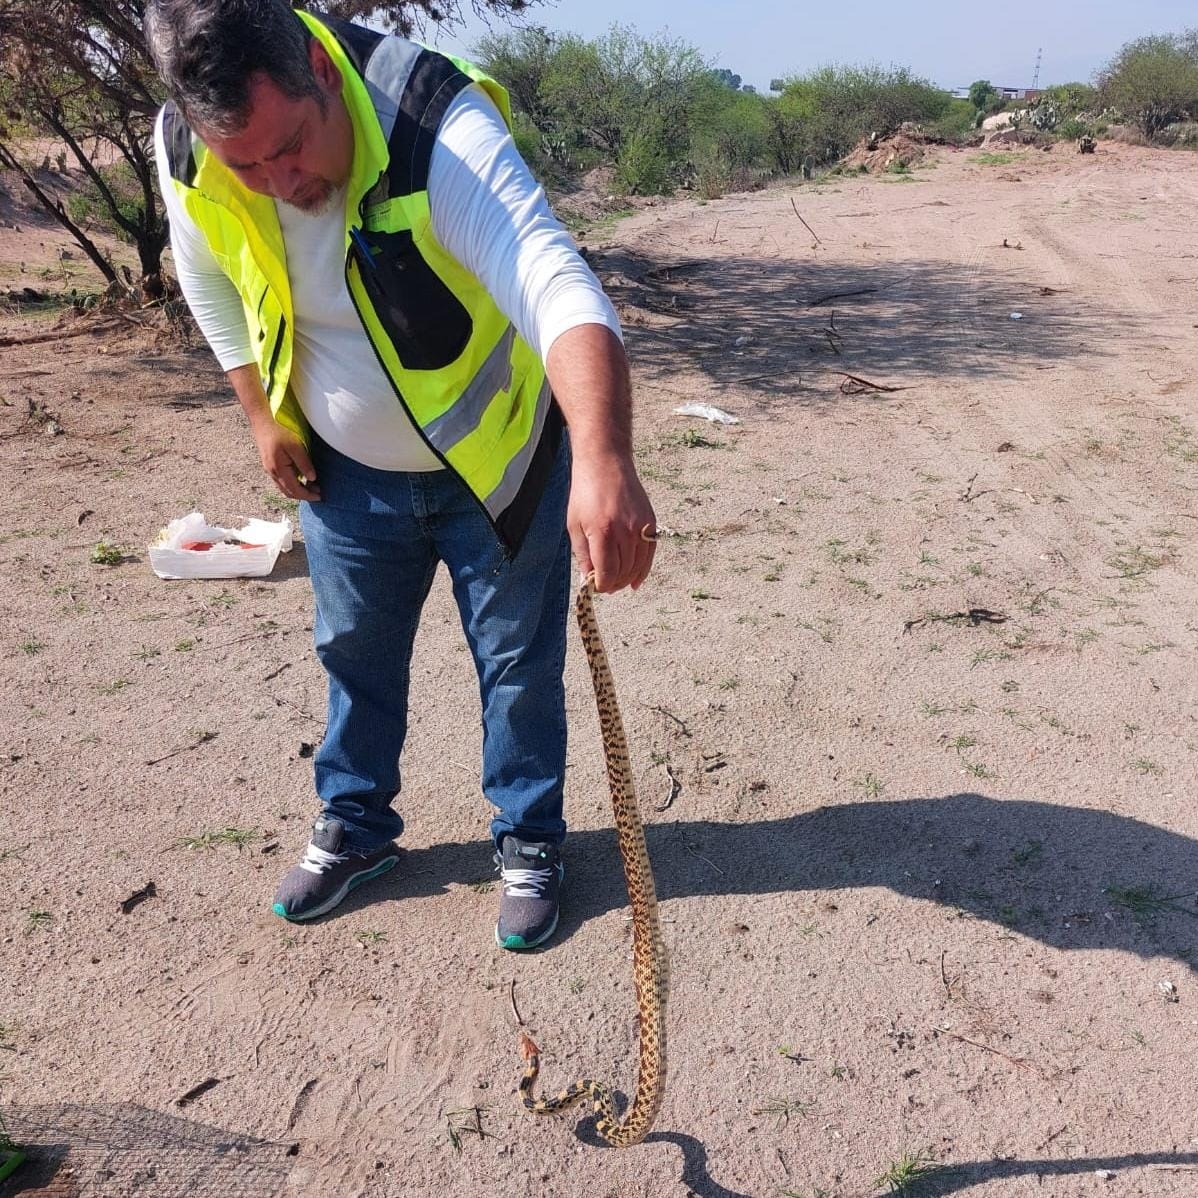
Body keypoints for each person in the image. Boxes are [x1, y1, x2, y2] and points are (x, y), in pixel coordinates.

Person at [144, 0, 656, 950]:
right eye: (245, 164)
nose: (276, 181)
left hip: (497, 468)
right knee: (354, 653)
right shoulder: (186, 146)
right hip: (348, 478)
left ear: (321, 71)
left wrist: (603, 459)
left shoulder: (438, 124)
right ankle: (356, 828)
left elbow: (554, 278)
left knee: (515, 668)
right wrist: (261, 414)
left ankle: (530, 840)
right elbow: (204, 270)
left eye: (289, 148)